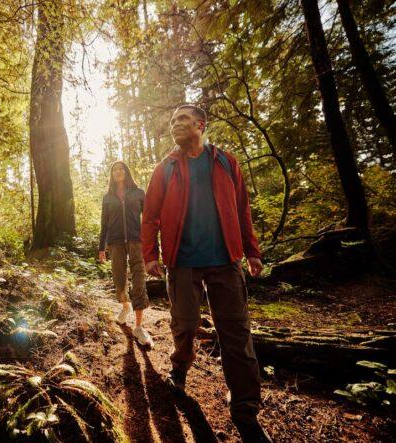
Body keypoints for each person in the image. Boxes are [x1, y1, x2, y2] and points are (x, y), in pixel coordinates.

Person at [141, 104, 272, 442]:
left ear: (201, 124)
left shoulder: (226, 163)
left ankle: (245, 410)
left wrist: (252, 251)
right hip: (182, 263)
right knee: (184, 325)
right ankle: (180, 368)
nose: (175, 125)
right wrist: (150, 256)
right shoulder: (165, 169)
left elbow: (242, 208)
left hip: (225, 263)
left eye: (182, 119)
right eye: (172, 121)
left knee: (237, 337)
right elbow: (150, 216)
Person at [99, 161, 153, 347]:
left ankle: (138, 327)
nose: (118, 171)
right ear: (111, 174)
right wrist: (101, 247)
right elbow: (104, 224)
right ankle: (125, 305)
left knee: (139, 279)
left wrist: (151, 242)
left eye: (121, 168)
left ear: (127, 172)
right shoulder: (107, 197)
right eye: (114, 169)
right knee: (119, 281)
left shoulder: (139, 193)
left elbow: (148, 219)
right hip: (115, 242)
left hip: (136, 241)